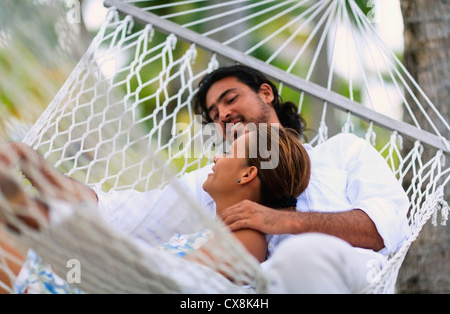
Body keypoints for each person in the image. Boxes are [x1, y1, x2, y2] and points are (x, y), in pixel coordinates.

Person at [0, 64, 410, 293]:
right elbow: (120, 212)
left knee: (303, 258)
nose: (223, 115)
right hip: (239, 291)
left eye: (230, 99)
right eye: (214, 114)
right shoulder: (213, 185)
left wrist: (282, 222)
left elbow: (385, 225)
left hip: (343, 280)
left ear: (266, 94)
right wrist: (41, 172)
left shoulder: (345, 152)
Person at [0, 125, 310, 293]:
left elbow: (166, 283)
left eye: (228, 153)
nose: (216, 159)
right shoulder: (221, 232)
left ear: (247, 175)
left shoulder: (248, 238)